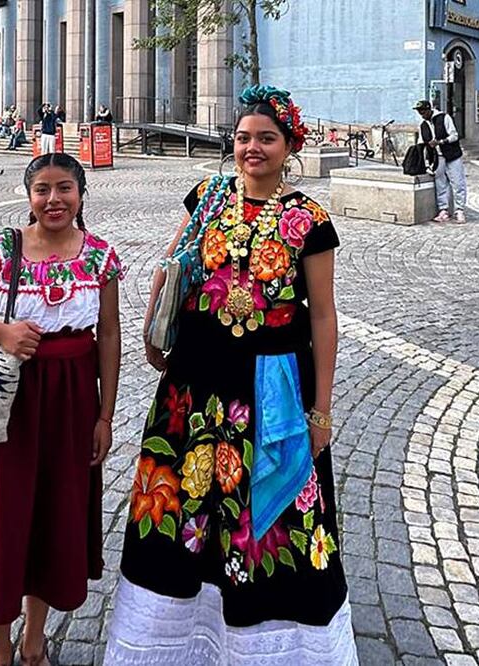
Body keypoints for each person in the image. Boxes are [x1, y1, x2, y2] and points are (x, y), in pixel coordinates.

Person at [104, 85, 357, 664]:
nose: (252, 148)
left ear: (290, 145)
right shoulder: (208, 196)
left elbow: (323, 317)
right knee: (185, 511)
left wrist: (321, 409)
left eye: (266, 138)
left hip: (270, 390)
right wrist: (152, 327)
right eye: (243, 137)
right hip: (193, 385)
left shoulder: (309, 221)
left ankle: (271, 648)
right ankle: (175, 640)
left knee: (269, 520)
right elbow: (171, 270)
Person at [0, 152, 122, 666]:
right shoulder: (2, 250)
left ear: (82, 194)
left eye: (64, 188)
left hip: (71, 403)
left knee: (51, 518)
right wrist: (2, 331)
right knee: (3, 518)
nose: (53, 200)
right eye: (42, 189)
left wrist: (104, 416)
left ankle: (34, 641)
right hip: (6, 406)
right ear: (29, 196)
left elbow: (108, 334)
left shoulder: (101, 259)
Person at [414, 99, 468, 224]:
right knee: (440, 184)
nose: (422, 114)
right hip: (437, 158)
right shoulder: (423, 125)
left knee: (458, 182)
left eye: (423, 111)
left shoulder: (444, 118)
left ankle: (459, 210)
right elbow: (422, 141)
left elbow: (454, 135)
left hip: (452, 155)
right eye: (419, 112)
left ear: (429, 109)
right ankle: (443, 210)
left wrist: (440, 141)